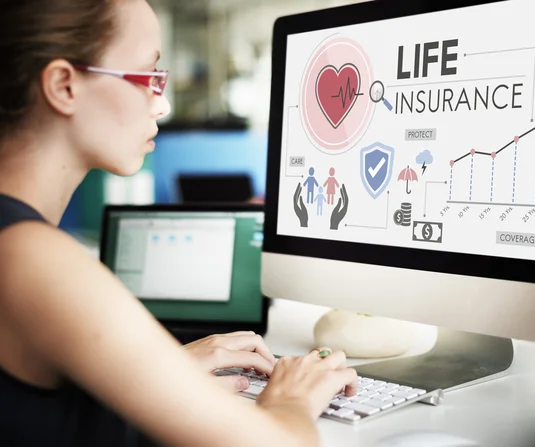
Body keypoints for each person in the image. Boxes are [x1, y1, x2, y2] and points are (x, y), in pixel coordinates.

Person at [0, 1, 357, 446]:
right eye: (149, 77)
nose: (163, 103)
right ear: (64, 85)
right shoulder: (35, 261)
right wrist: (291, 398)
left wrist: (159, 370)